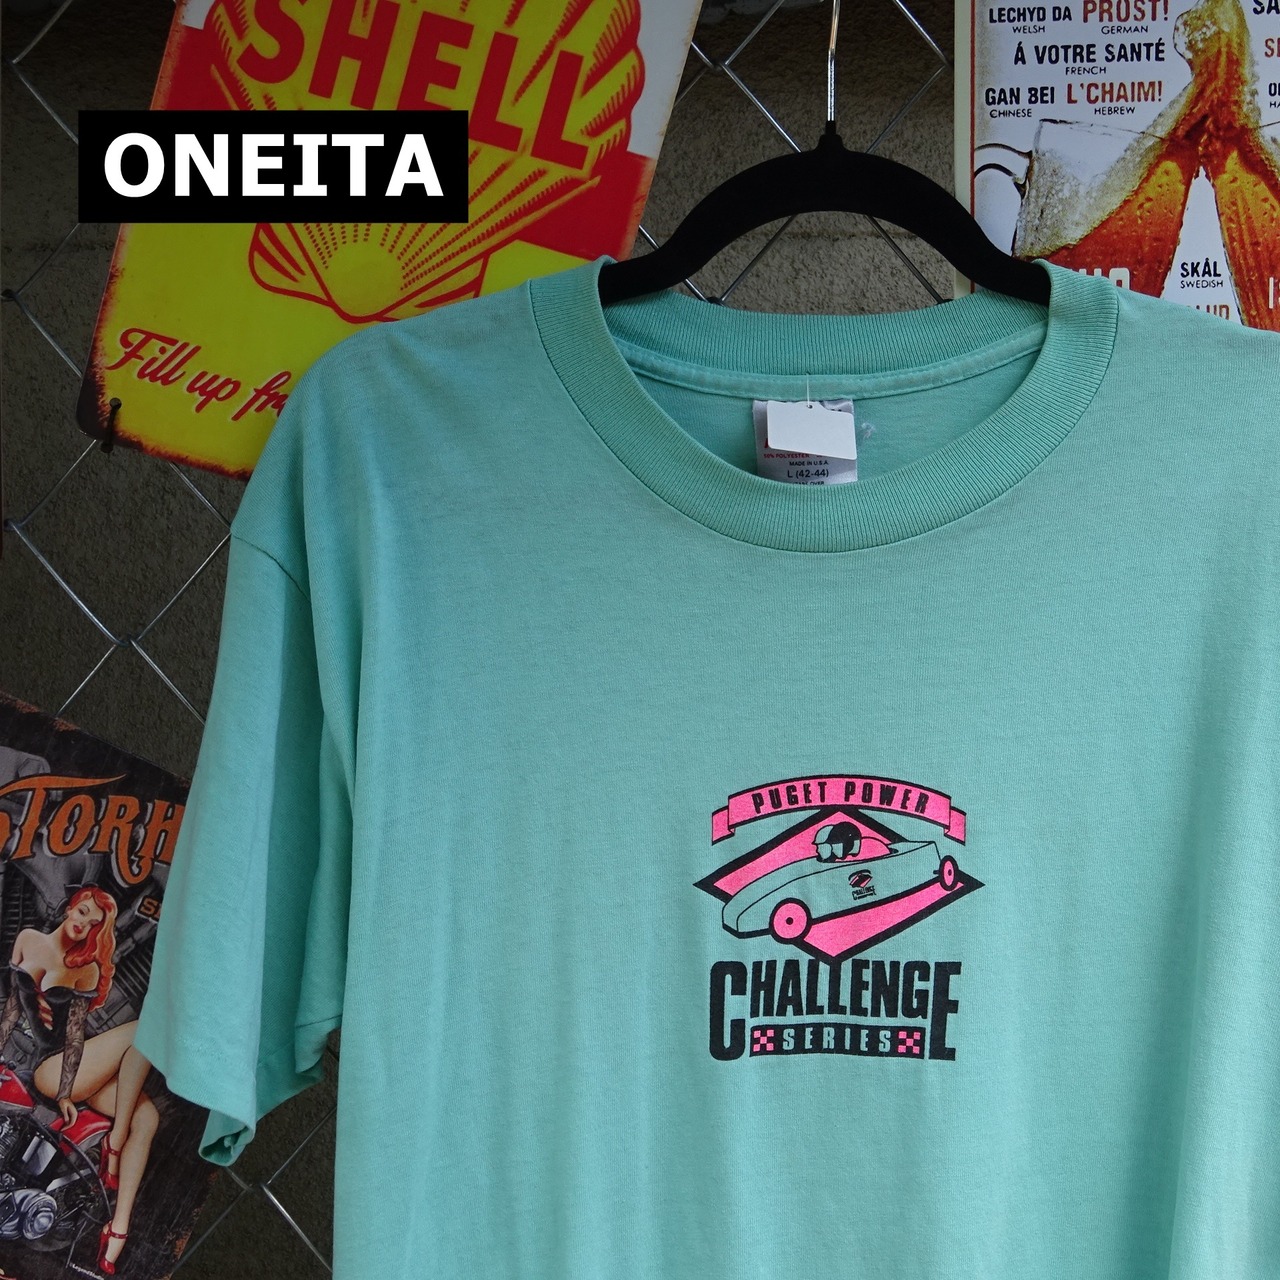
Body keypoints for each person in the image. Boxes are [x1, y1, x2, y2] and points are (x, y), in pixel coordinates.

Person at [0, 887, 159, 1275]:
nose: (84, 923)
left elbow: (74, 1035)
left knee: (147, 1117)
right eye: (83, 912)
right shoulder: (29, 939)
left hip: (60, 1069)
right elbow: (13, 1007)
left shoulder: (86, 969)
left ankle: (118, 1226)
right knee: (151, 1030)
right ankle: (115, 1145)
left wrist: (67, 1092)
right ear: (71, 907)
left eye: (94, 923)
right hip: (43, 1069)